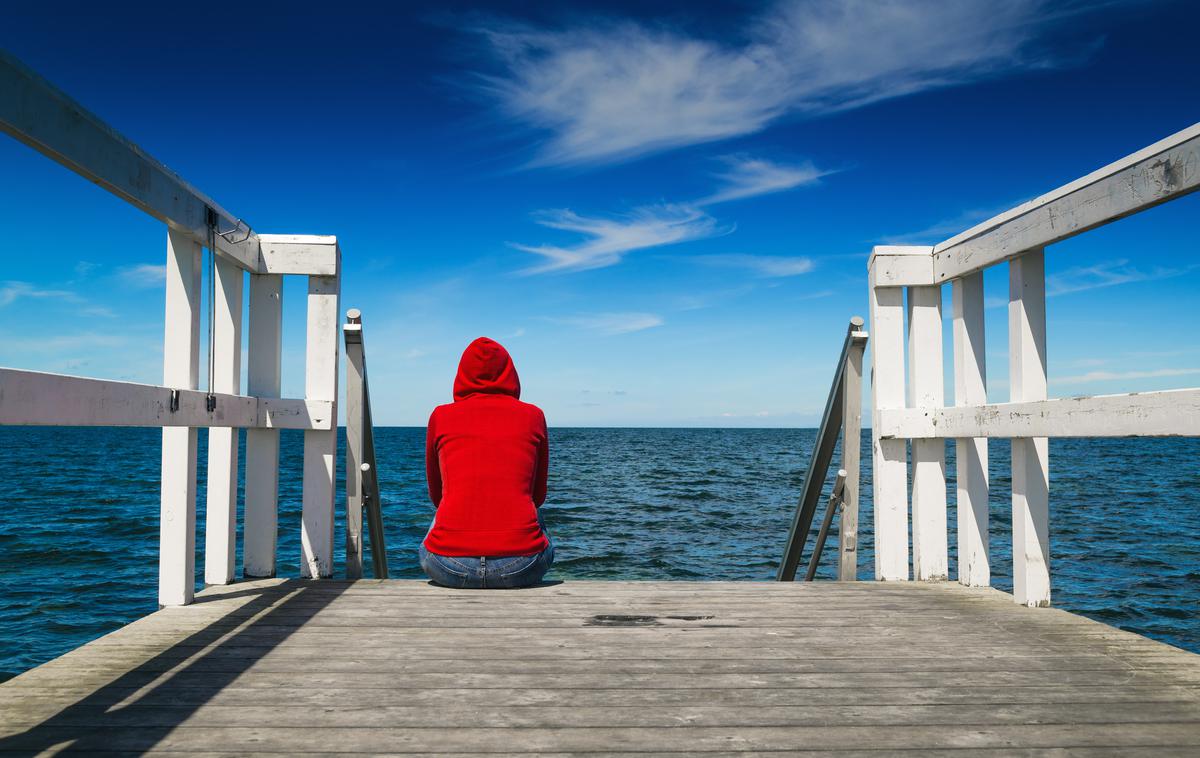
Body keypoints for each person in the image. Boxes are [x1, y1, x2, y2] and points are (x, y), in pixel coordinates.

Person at [418, 337, 554, 588]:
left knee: (445, 508)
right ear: (511, 374)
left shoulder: (440, 415)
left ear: (461, 375)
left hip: (447, 566)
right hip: (522, 566)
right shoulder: (534, 415)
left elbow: (437, 496)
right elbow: (539, 495)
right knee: (532, 509)